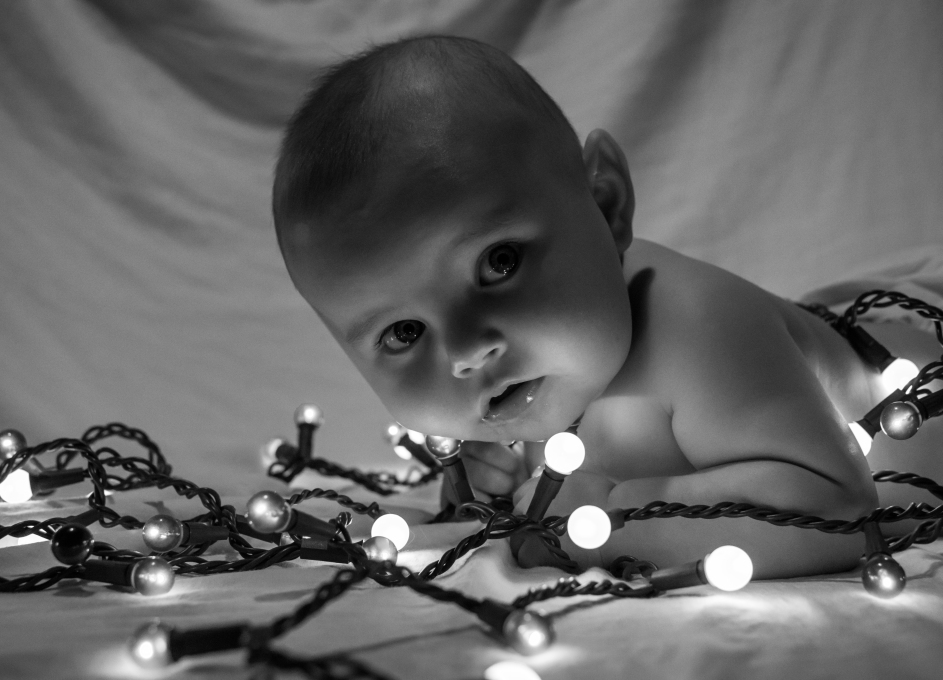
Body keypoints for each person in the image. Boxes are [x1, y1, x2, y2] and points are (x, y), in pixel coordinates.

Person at [271, 35, 942, 579]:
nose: (469, 350)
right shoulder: (553, 368)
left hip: (911, 371)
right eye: (406, 331)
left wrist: (608, 521)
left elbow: (840, 506)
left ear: (607, 204)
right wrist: (494, 482)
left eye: (499, 263)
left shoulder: (699, 329)